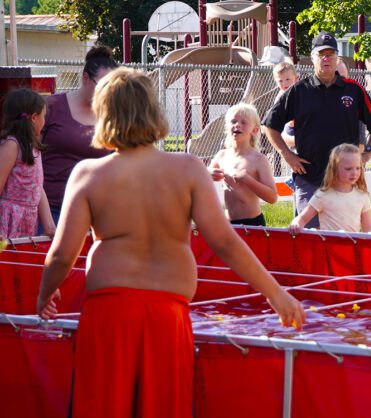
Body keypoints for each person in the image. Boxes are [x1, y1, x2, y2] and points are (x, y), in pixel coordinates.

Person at [36, 68, 305, 418]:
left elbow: (62, 255)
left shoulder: (89, 174)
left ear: (103, 115)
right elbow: (225, 241)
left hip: (109, 315)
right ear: (154, 111)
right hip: (168, 314)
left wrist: (46, 294)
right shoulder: (188, 169)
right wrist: (275, 293)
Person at [263, 31, 371, 229]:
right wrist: (286, 154)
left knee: (343, 236)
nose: (326, 58)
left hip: (344, 182)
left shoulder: (353, 90)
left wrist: (368, 154)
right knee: (308, 234)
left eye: (330, 54)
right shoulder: (299, 90)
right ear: (312, 58)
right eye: (321, 54)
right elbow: (270, 125)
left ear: (337, 58)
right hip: (309, 176)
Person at [41, 46, 118, 225]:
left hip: (95, 209)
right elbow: (30, 159)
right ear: (85, 78)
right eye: (102, 85)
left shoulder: (112, 115)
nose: (107, 92)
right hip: (51, 209)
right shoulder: (51, 106)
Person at [208, 103, 277, 226]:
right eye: (233, 121)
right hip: (228, 223)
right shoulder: (222, 156)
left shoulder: (259, 160)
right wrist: (209, 173)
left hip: (252, 223)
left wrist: (247, 179)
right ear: (226, 127)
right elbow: (200, 178)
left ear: (254, 130)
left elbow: (272, 197)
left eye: (244, 122)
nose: (237, 125)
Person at [0, 89, 55, 238]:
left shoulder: (33, 147)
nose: (45, 121)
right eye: (44, 116)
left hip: (28, 220)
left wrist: (49, 224)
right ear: (34, 118)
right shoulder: (11, 145)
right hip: (8, 220)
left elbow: (37, 186)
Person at [289, 143, 371, 234]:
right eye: (348, 169)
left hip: (351, 243)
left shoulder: (362, 196)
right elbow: (302, 218)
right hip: (328, 242)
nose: (354, 173)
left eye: (358, 168)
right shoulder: (323, 195)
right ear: (335, 169)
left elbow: (368, 229)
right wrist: (296, 224)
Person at [272, 62, 300, 150]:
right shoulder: (280, 97)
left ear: (296, 79)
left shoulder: (300, 92)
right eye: (280, 81)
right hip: (289, 128)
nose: (284, 83)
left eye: (288, 79)